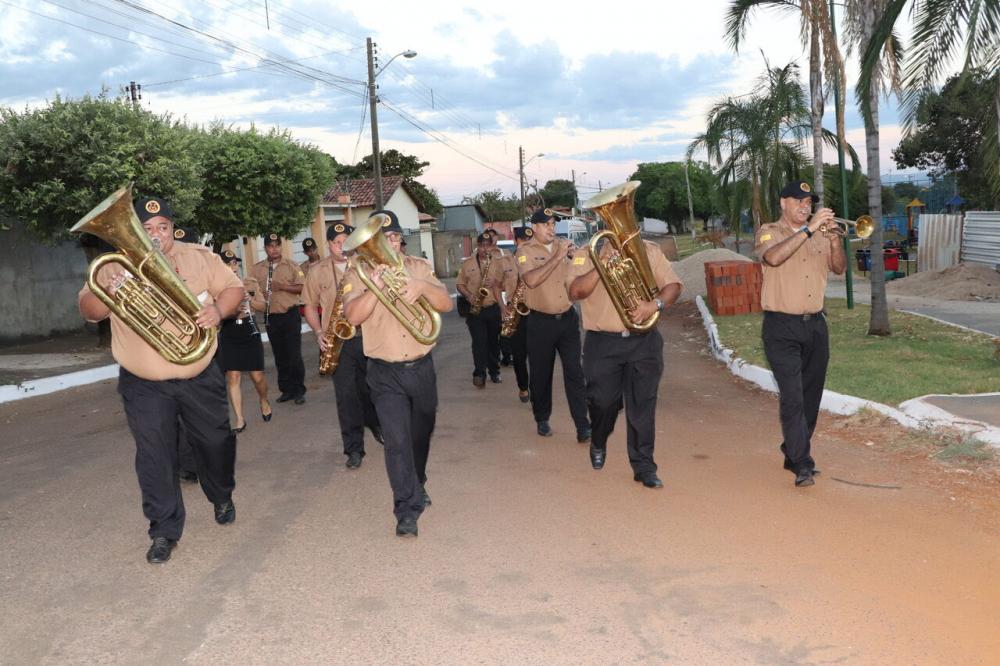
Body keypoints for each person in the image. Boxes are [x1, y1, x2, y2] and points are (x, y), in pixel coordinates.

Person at [77, 196, 244, 564]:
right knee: (155, 457)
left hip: (199, 374)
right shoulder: (112, 265)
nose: (155, 235)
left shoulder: (199, 257)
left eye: (162, 228)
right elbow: (88, 311)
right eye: (146, 229)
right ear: (135, 231)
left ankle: (220, 493)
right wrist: (111, 295)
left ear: (171, 228)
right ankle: (164, 530)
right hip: (144, 383)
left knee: (216, 442)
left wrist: (218, 310)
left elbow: (234, 289)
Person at [342, 210, 453, 538]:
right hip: (384, 372)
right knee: (397, 441)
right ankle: (406, 508)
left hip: (421, 368)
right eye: (381, 239)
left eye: (391, 238)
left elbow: (445, 304)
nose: (387, 245)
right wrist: (373, 291)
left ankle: (417, 482)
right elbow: (352, 315)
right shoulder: (358, 271)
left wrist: (422, 287)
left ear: (400, 240)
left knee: (421, 433)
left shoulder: (418, 267)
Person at [567, 236, 683, 488]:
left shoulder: (648, 250)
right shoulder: (587, 253)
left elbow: (673, 285)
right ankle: (598, 438)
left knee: (642, 405)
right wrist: (602, 264)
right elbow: (575, 292)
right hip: (602, 342)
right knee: (602, 402)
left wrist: (655, 305)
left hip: (644, 341)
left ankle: (644, 466)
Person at [755, 181, 846, 487]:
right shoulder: (769, 232)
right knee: (792, 396)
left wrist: (833, 240)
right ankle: (802, 462)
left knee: (811, 395)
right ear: (783, 203)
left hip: (816, 326)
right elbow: (773, 258)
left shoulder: (821, 233)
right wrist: (808, 230)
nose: (805, 207)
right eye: (798, 201)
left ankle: (792, 449)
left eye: (808, 202)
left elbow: (839, 269)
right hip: (781, 327)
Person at [302, 223, 382, 469]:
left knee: (373, 390)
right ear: (328, 244)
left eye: (346, 241)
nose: (341, 246)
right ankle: (354, 448)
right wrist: (317, 333)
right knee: (346, 396)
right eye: (337, 242)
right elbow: (308, 306)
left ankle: (376, 424)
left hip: (369, 335)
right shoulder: (317, 271)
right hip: (339, 341)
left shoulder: (366, 264)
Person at [515, 208, 591, 441]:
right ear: (535, 227)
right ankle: (542, 417)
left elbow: (583, 272)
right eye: (546, 224)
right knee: (541, 374)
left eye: (553, 224)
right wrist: (557, 256)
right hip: (540, 323)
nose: (551, 228)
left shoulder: (564, 245)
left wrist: (577, 257)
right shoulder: (524, 251)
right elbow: (531, 280)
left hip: (567, 319)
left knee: (575, 373)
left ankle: (582, 425)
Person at [217, 249, 272, 433]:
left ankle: (264, 399)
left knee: (257, 377)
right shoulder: (216, 287)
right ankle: (240, 419)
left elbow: (264, 306)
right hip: (229, 332)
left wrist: (251, 300)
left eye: (235, 263)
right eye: (228, 263)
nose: (233, 267)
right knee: (233, 377)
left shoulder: (249, 282)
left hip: (249, 332)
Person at [249, 234, 307, 405]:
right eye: (270, 246)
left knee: (294, 354)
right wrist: (260, 294)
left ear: (281, 247)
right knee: (279, 355)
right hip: (271, 317)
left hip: (290, 314)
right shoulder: (258, 268)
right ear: (265, 248)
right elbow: (251, 289)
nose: (274, 249)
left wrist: (282, 287)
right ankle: (286, 389)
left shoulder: (292, 266)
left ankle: (298, 390)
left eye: (277, 246)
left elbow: (302, 287)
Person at [456, 232, 506, 387]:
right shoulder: (467, 264)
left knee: (493, 343)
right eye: (482, 245)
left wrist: (496, 283)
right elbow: (459, 284)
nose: (485, 248)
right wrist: (469, 295)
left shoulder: (497, 263)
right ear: (477, 246)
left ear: (492, 246)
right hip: (475, 308)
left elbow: (504, 285)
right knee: (479, 342)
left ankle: (494, 372)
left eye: (488, 245)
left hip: (492, 308)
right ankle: (479, 373)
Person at [502, 226, 534, 403]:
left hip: (535, 311)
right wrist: (503, 306)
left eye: (529, 241)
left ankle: (537, 389)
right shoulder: (507, 261)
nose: (526, 244)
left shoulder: (537, 259)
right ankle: (523, 387)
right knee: (519, 356)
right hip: (515, 312)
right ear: (516, 241)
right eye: (522, 240)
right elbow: (496, 284)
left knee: (537, 355)